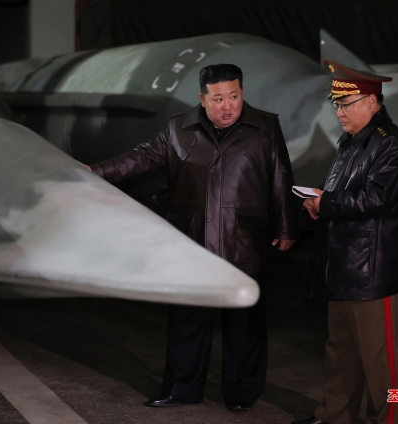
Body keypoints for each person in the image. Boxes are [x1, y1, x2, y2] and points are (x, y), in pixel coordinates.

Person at [84, 64, 299, 411]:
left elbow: (280, 177)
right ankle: (181, 389)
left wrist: (287, 227)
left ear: (242, 93)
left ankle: (242, 394)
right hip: (191, 243)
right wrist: (97, 171)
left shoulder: (265, 128)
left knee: (244, 326)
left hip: (242, 241)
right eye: (218, 99)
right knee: (186, 321)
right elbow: (141, 158)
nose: (227, 105)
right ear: (202, 99)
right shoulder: (178, 129)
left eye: (234, 96)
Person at [294, 60, 398, 424]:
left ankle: (387, 420)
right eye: (337, 104)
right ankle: (335, 416)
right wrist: (321, 200)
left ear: (373, 103)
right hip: (346, 263)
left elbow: (376, 199)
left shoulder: (389, 144)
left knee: (379, 357)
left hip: (371, 270)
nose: (340, 112)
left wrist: (325, 202)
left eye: (347, 104)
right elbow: (348, 193)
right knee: (341, 350)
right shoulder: (351, 142)